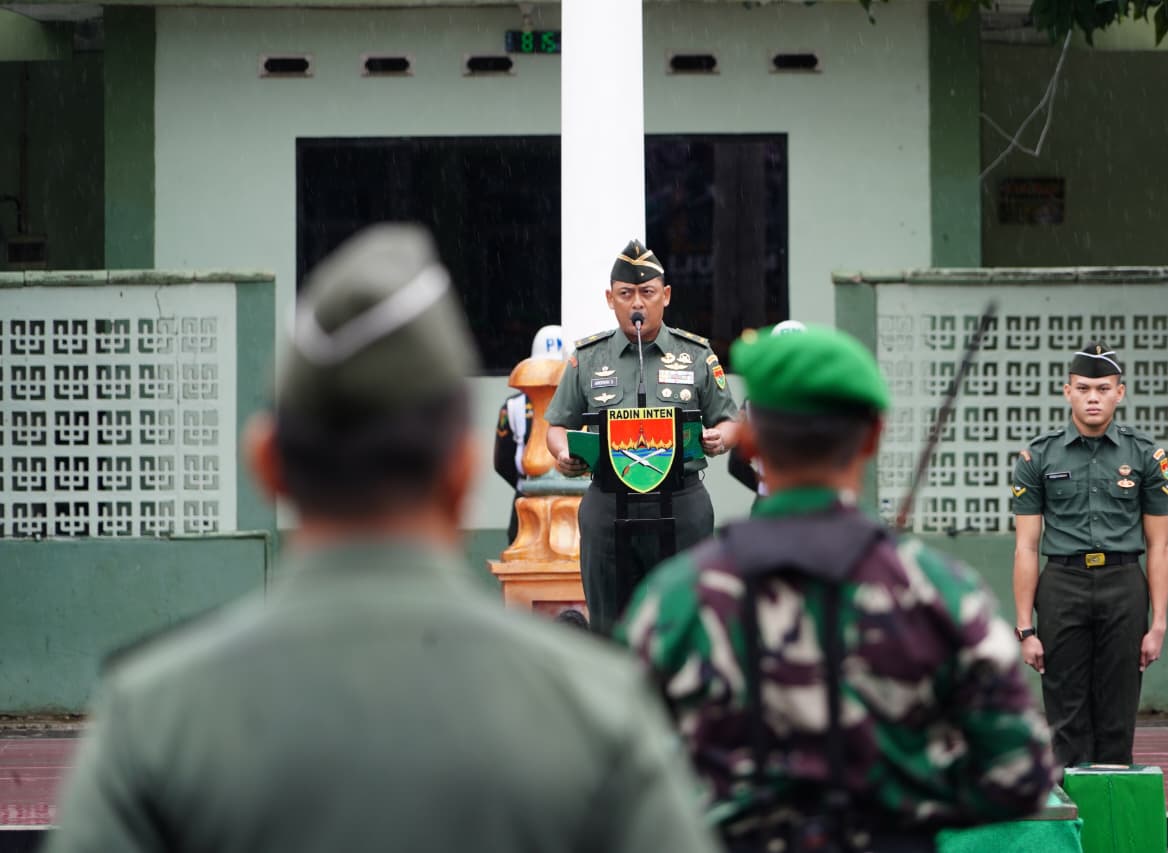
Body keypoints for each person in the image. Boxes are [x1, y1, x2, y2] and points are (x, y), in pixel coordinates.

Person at [44, 225, 722, 853]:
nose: (638, 300)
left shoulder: (155, 722)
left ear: (267, 465)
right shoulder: (595, 715)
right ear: (462, 469)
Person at [621, 324, 1055, 853]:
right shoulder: (940, 592)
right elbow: (1022, 776)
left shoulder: (675, 597)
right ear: (873, 435)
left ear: (751, 440)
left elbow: (616, 779)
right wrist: (898, 795)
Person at [545, 238, 739, 635]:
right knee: (609, 628)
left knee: (687, 622)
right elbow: (556, 425)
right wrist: (563, 451)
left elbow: (730, 420)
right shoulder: (588, 357)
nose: (637, 304)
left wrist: (721, 438)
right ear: (609, 299)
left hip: (681, 503)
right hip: (608, 505)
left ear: (665, 296)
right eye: (626, 294)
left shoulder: (696, 355)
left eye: (647, 293)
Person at [1011, 341, 1168, 767]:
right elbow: (1026, 546)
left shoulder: (1145, 455)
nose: (1093, 397)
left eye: (1103, 388)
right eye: (1083, 388)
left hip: (1124, 584)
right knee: (1066, 714)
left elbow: (1159, 545)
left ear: (1120, 392)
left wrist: (1158, 623)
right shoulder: (1038, 456)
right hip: (1062, 585)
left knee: (1118, 711)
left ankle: (1112, 819)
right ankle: (1072, 822)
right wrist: (1025, 629)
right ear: (1067, 392)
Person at [494, 325, 565, 543]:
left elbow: (503, 461)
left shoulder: (578, 403)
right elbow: (503, 461)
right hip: (527, 498)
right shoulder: (514, 407)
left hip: (565, 498)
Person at [727, 320, 806, 500]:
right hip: (816, 509)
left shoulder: (755, 401)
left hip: (770, 505)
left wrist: (766, 488)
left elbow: (736, 465)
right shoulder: (827, 401)